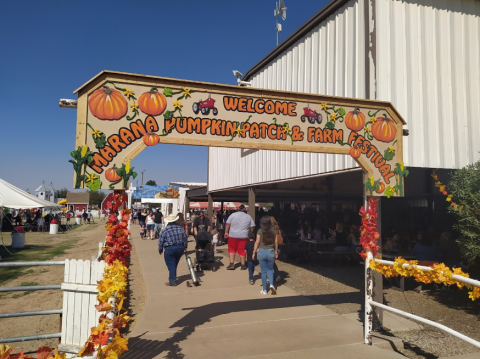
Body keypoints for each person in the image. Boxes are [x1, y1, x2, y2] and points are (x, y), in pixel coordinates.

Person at [158, 213, 189, 286]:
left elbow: (161, 240)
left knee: (171, 264)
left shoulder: (165, 230)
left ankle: (172, 280)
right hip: (180, 248)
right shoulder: (181, 228)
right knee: (174, 263)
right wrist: (185, 246)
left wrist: (160, 249)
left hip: (169, 248)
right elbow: (185, 238)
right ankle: (173, 276)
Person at [224, 204, 255, 270]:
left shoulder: (232, 215)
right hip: (244, 236)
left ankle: (231, 264)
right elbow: (252, 226)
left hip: (233, 235)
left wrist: (226, 232)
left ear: (238, 209)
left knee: (232, 249)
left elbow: (227, 224)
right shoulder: (248, 216)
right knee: (243, 250)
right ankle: (243, 264)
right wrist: (250, 233)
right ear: (244, 209)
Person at [253, 216, 278, 295]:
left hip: (262, 252)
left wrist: (254, 252)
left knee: (263, 271)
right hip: (271, 251)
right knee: (270, 269)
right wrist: (276, 251)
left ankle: (264, 290)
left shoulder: (260, 231)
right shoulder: (274, 231)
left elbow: (257, 242)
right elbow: (276, 242)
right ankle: (271, 284)